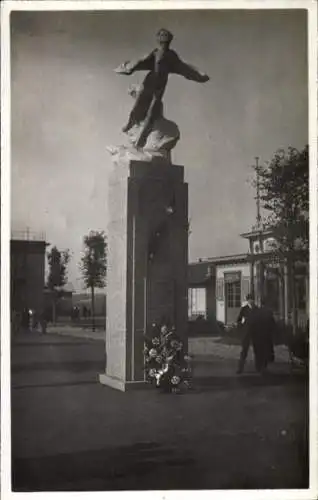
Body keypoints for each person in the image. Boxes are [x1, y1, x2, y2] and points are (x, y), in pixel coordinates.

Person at [115, 28, 210, 148]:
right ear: (158, 39)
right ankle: (130, 123)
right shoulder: (155, 53)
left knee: (152, 112)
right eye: (162, 36)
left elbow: (184, 68)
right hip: (150, 82)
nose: (164, 40)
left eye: (166, 37)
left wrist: (200, 76)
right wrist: (129, 68)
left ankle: (141, 139)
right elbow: (141, 61)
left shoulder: (172, 56)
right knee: (139, 104)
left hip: (159, 87)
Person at [236, 294, 257, 374]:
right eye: (250, 299)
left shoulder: (257, 309)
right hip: (246, 332)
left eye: (252, 299)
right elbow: (239, 320)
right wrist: (241, 328)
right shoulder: (244, 309)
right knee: (244, 350)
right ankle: (240, 368)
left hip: (255, 332)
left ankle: (259, 367)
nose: (251, 301)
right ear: (247, 300)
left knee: (257, 350)